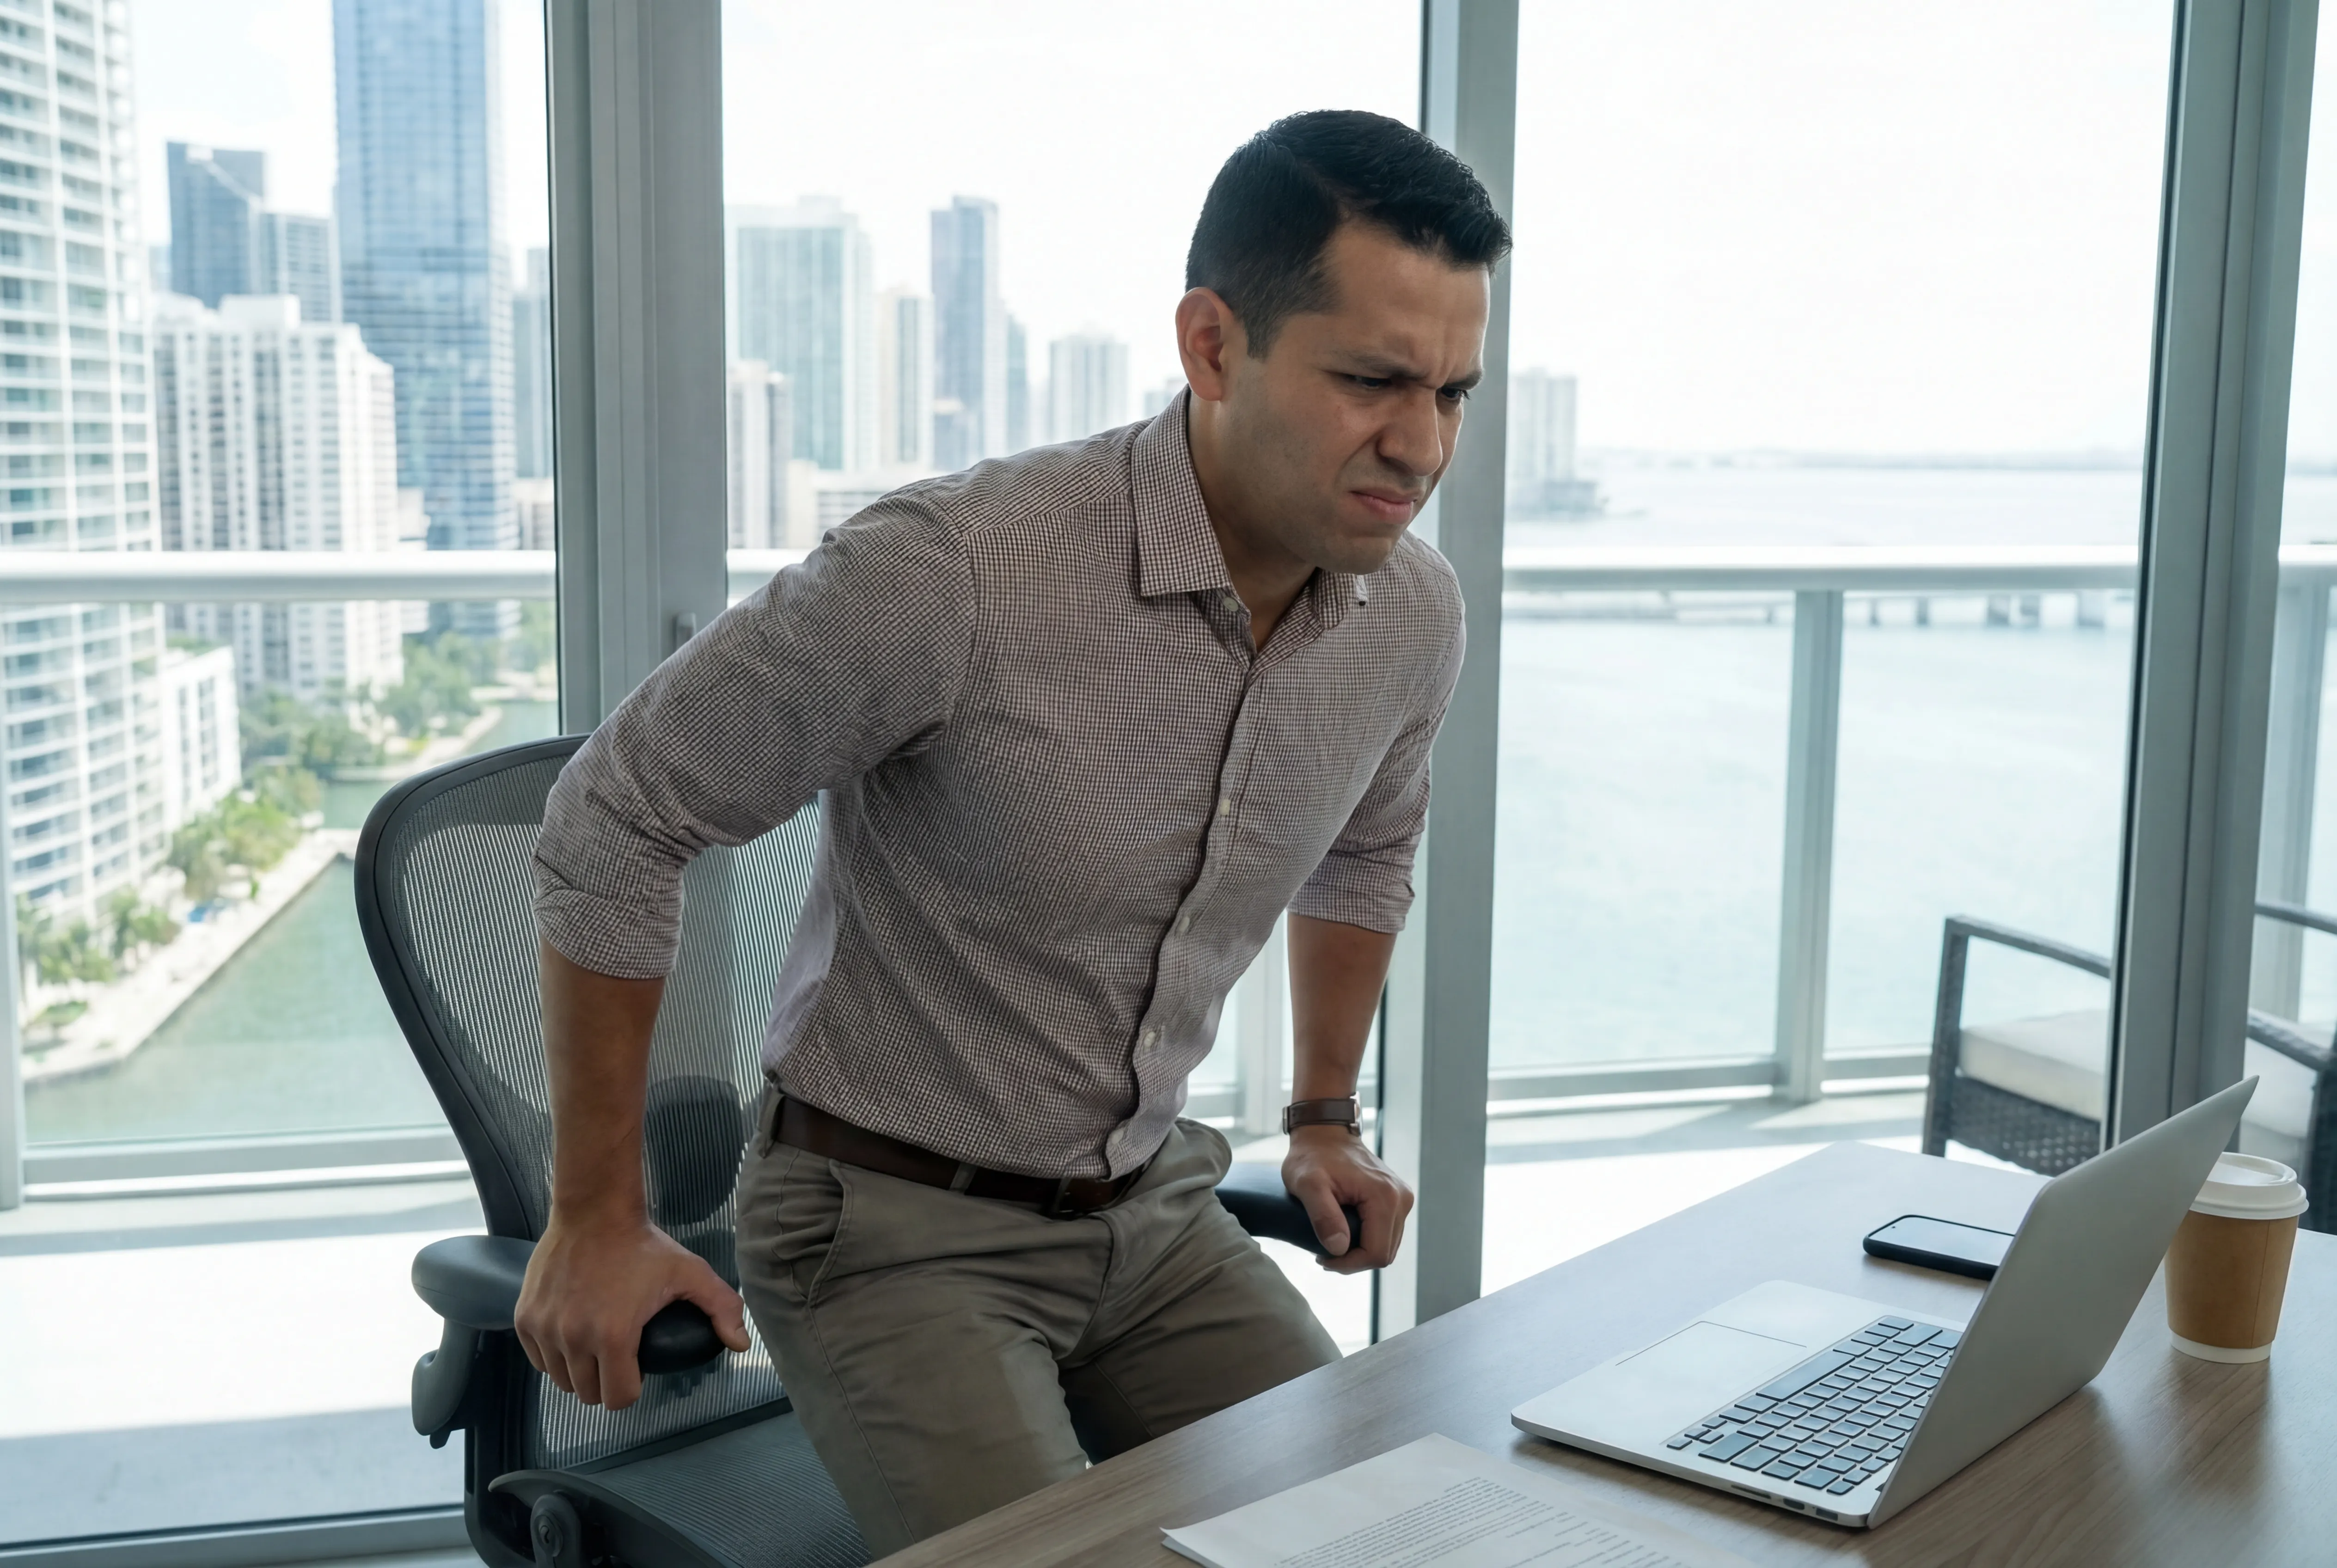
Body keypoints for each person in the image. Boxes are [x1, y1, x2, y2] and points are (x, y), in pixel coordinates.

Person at [516, 108, 1509, 1555]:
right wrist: (595, 1218)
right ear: (1213, 345)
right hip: (890, 1233)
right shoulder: (955, 574)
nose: (1419, 447)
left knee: (1398, 1538)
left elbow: (1367, 850)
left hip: (1156, 1214)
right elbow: (617, 818)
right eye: (1371, 381)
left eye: (1453, 393)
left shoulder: (1410, 615)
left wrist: (1321, 1120)